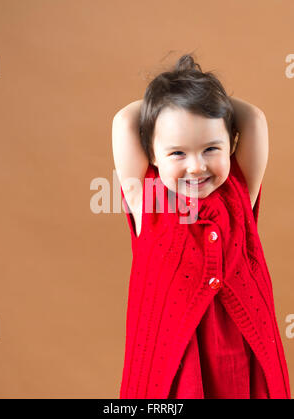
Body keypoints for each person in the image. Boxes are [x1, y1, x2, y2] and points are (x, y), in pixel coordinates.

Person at [111, 53, 291, 399]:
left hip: (241, 353)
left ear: (231, 145)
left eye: (211, 148)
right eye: (177, 153)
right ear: (151, 154)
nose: (196, 167)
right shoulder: (147, 200)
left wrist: (209, 97)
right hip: (177, 362)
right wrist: (166, 97)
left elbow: (253, 117)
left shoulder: (240, 192)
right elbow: (124, 121)